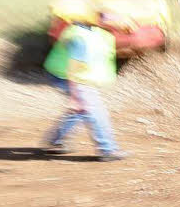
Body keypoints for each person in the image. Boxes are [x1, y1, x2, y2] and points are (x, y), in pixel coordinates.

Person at [42, 13, 127, 161]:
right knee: (94, 110)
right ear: (96, 19)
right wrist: (75, 98)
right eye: (110, 17)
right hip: (68, 76)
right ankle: (108, 149)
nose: (116, 21)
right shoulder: (80, 38)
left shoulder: (95, 32)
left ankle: (56, 142)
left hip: (78, 76)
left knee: (81, 110)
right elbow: (72, 70)